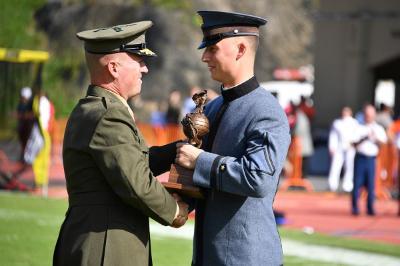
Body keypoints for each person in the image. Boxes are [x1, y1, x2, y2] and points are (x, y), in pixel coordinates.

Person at [53, 21, 189, 266]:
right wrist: (176, 212)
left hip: (96, 240)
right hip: (106, 248)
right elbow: (136, 182)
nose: (145, 69)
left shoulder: (94, 108)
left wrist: (177, 151)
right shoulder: (108, 115)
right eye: (138, 60)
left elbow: (130, 161)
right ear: (114, 68)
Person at [175, 11, 291, 266]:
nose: (205, 57)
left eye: (213, 48)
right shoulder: (213, 108)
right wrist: (180, 199)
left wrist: (200, 161)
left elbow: (258, 179)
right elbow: (211, 184)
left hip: (248, 259)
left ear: (240, 49)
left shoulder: (266, 111)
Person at [351, 104, 387, 216]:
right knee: (357, 184)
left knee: (371, 186)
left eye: (370, 115)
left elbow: (383, 143)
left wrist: (374, 138)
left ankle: (370, 208)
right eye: (366, 114)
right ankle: (355, 208)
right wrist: (364, 137)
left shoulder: (378, 128)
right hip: (360, 158)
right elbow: (353, 142)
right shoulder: (359, 127)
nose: (368, 117)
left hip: (371, 159)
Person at [328, 106, 359, 192]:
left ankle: (348, 185)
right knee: (336, 166)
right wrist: (332, 147)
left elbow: (356, 135)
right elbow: (333, 136)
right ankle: (332, 184)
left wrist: (355, 144)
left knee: (349, 167)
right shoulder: (337, 123)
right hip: (339, 147)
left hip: (350, 147)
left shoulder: (354, 123)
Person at [16, 87, 34, 162]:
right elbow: (18, 113)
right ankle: (23, 156)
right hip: (21, 126)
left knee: (28, 142)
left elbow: (32, 114)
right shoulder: (20, 104)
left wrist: (27, 116)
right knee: (23, 142)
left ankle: (27, 156)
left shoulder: (31, 105)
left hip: (28, 126)